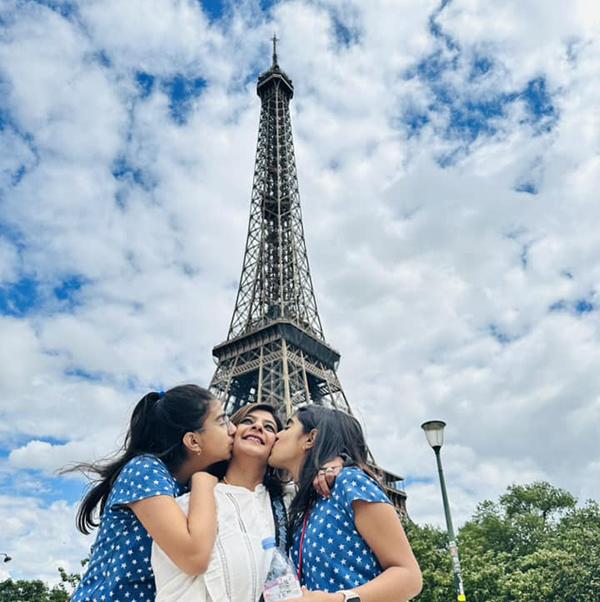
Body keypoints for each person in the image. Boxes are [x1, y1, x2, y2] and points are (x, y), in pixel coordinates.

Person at [70, 384, 236, 602]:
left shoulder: (181, 486)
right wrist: (203, 482)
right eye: (222, 421)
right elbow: (194, 557)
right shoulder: (144, 470)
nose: (233, 429)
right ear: (193, 441)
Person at [268, 405, 423, 602]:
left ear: (310, 438)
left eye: (288, 426)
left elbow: (409, 577)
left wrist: (339, 600)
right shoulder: (308, 505)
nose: (278, 435)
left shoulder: (348, 482)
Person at [151, 402, 292, 602]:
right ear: (230, 434)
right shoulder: (188, 505)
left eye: (269, 427)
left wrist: (335, 464)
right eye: (247, 421)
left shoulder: (288, 506)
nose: (258, 427)